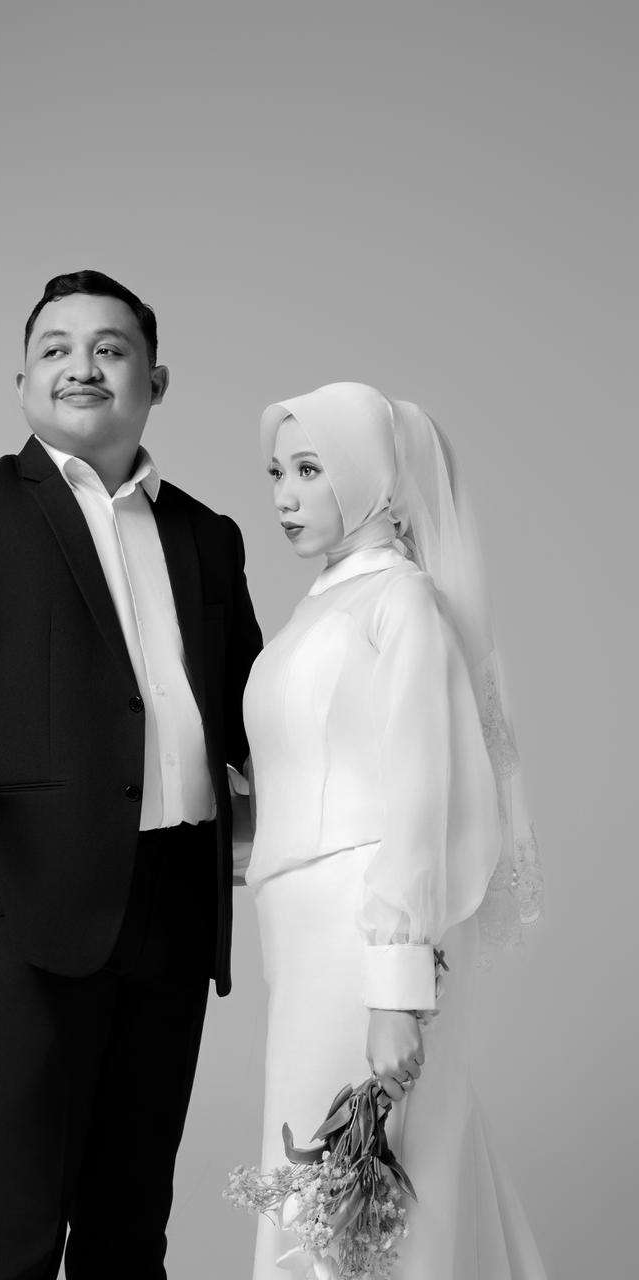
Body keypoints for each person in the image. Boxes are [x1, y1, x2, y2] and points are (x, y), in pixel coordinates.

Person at [0, 269, 263, 1280]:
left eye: (110, 349)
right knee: (16, 1220)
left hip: (176, 904)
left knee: (131, 1218)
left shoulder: (206, 534)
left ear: (154, 380)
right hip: (24, 905)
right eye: (56, 348)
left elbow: (255, 707)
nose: (82, 366)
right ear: (22, 381)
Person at [237, 383, 546, 1278]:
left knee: (357, 1196)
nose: (285, 495)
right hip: (304, 942)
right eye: (276, 474)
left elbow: (421, 795)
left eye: (310, 469)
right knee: (347, 1187)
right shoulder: (324, 603)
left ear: (369, 474)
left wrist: (394, 990)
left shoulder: (400, 601)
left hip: (361, 937)